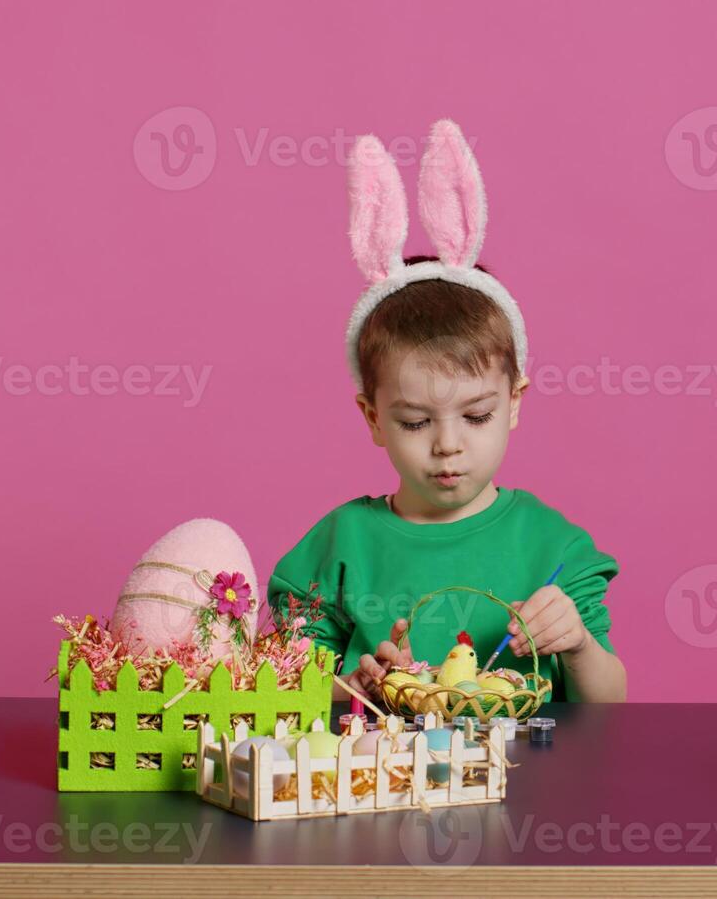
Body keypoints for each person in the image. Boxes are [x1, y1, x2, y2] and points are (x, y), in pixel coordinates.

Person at [265, 120, 627, 704]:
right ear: (372, 418)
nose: (447, 445)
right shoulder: (341, 544)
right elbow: (283, 684)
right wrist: (349, 688)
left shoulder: (551, 547)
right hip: (379, 789)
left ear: (514, 403)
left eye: (476, 416)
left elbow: (609, 703)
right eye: (415, 422)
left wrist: (579, 645)